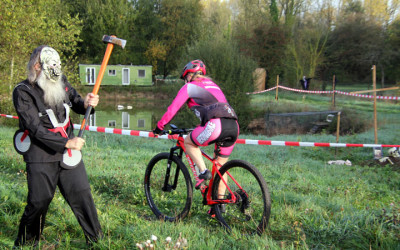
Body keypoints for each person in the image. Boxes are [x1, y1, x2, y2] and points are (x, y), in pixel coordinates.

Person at [12, 45, 103, 247]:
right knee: (39, 201)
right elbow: (34, 128)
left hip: (68, 154)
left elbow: (76, 102)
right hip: (40, 154)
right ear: (37, 66)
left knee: (82, 194)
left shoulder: (60, 81)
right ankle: (27, 244)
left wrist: (87, 103)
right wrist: (67, 142)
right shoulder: (22, 92)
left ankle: (97, 242)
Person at [153, 60, 239, 216]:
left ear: (188, 75)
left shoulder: (189, 87)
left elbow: (173, 109)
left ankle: (203, 171)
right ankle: (218, 206)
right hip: (234, 125)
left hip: (216, 125)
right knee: (220, 166)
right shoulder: (213, 85)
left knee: (189, 142)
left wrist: (159, 127)